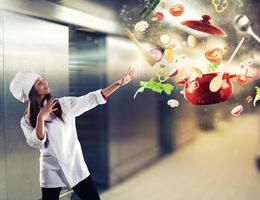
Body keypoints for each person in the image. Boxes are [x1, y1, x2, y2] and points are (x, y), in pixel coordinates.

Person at [9, 67, 135, 200]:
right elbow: (37, 143)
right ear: (32, 92)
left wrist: (119, 83)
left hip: (74, 164)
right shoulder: (26, 120)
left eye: (43, 79)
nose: (45, 83)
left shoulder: (64, 104)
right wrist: (41, 117)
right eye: (39, 83)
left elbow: (93, 98)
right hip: (50, 169)